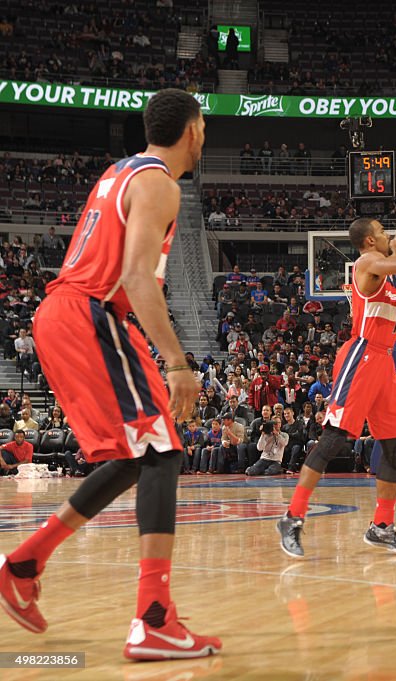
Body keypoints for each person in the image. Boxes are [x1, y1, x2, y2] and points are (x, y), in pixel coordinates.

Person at [0, 90, 221, 659]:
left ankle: (25, 563)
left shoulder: (118, 172)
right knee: (165, 450)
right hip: (91, 314)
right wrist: (177, 362)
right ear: (193, 130)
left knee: (139, 455)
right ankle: (153, 618)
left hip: (67, 312)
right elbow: (137, 277)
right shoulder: (159, 184)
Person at [277, 139, 396, 558]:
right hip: (362, 354)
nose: (391, 235)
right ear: (369, 242)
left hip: (385, 361)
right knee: (334, 440)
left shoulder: (383, 257)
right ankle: (292, 516)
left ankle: (382, 525)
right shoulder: (368, 266)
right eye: (383, 234)